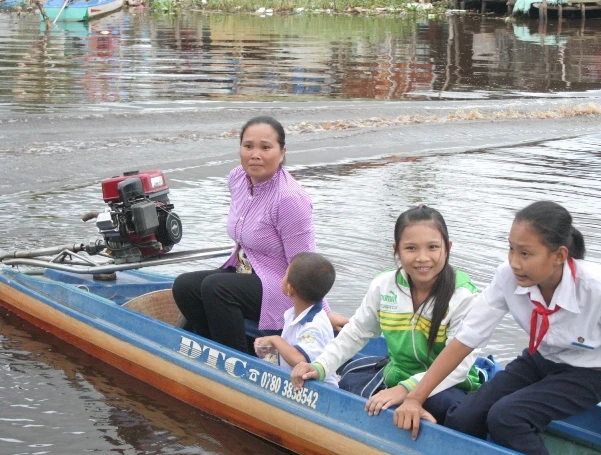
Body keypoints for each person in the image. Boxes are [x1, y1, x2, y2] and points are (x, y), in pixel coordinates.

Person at [393, 201, 601, 455]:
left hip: (590, 374)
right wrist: (415, 398)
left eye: (526, 253)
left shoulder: (599, 288)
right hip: (539, 359)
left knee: (507, 418)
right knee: (463, 420)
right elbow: (467, 339)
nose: (515, 263)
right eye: (511, 250)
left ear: (559, 255)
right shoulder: (508, 277)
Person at [172, 116, 348, 355]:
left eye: (265, 147)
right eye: (248, 146)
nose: (255, 154)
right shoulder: (237, 178)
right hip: (245, 271)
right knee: (186, 285)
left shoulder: (290, 199)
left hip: (280, 285)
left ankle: (237, 357)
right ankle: (211, 346)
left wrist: (323, 313)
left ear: (282, 152)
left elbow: (305, 262)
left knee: (217, 288)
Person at [290, 205, 482, 424]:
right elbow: (356, 332)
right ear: (396, 250)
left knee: (447, 410)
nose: (422, 258)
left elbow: (459, 366)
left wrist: (405, 391)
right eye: (411, 248)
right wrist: (320, 366)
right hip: (397, 374)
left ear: (447, 248)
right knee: (348, 382)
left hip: (449, 385)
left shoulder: (463, 295)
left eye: (432, 247)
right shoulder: (384, 286)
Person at [254, 252, 339, 389]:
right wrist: (272, 348)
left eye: (285, 274)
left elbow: (299, 359)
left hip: (321, 390)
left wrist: (276, 340)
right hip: (297, 381)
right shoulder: (293, 314)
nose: (283, 277)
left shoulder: (314, 325)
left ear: (290, 288)